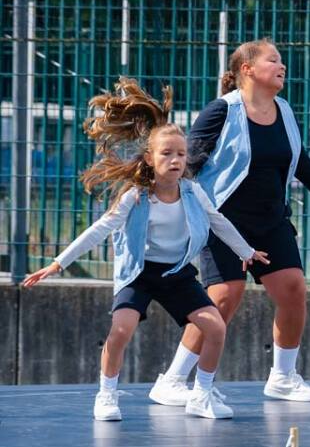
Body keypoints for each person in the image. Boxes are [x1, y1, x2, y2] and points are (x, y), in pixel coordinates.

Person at [23, 79, 268, 421]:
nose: (175, 160)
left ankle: (201, 395)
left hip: (176, 274)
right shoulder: (136, 196)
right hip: (139, 273)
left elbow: (218, 221)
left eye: (180, 154)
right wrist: (57, 264)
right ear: (150, 159)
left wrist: (246, 251)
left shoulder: (193, 192)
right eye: (167, 154)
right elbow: (100, 229)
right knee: (121, 330)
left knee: (215, 327)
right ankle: (107, 395)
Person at [149, 39, 310, 405]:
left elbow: (299, 159)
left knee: (293, 289)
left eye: (281, 60)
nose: (282, 66)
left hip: (271, 220)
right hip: (223, 220)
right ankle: (173, 379)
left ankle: (283, 378)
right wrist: (167, 200)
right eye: (272, 60)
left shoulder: (284, 111)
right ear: (247, 69)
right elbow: (188, 161)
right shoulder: (221, 111)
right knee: (224, 297)